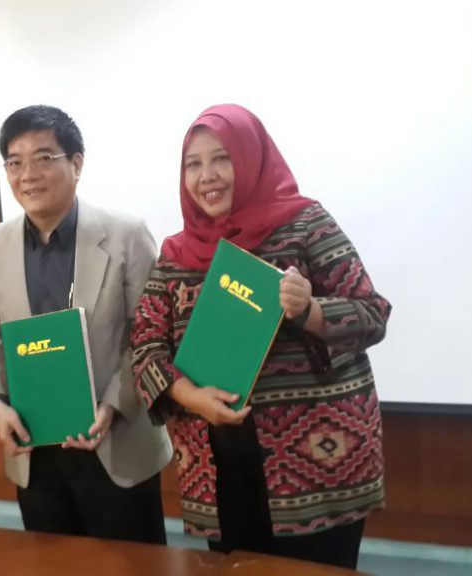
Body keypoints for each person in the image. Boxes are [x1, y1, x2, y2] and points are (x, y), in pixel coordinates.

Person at [131, 104, 391, 569]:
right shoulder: (176, 254)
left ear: (251, 158)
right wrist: (189, 396)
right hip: (218, 468)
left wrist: (309, 310)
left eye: (222, 158)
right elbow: (146, 345)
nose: (207, 176)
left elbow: (372, 313)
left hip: (315, 467)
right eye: (193, 164)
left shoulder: (306, 224)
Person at [0, 105, 172, 544]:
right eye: (14, 162)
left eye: (44, 158)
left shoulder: (127, 235)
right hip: (34, 448)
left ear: (77, 164)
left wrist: (113, 406)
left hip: (117, 443)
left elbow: (149, 335)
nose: (28, 175)